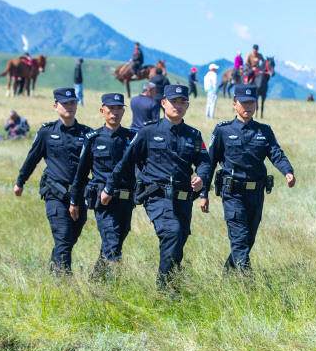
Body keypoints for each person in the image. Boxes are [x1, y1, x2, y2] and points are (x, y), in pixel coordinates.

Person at [100, 85, 211, 292]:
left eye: (182, 102)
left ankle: (172, 284)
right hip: (156, 195)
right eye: (173, 101)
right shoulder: (148, 131)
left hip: (184, 198)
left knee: (179, 240)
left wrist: (202, 178)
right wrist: (108, 187)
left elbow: (204, 162)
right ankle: (164, 289)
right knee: (172, 232)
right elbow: (126, 162)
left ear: (187, 105)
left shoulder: (193, 135)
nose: (177, 105)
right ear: (163, 103)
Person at [203, 84, 295, 274]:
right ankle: (248, 283)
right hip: (233, 193)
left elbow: (276, 154)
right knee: (240, 238)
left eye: (252, 102)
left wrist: (287, 171)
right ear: (234, 104)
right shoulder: (222, 131)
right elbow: (209, 163)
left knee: (248, 239)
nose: (248, 106)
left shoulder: (264, 131)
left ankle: (227, 274)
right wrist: (204, 193)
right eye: (243, 102)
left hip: (256, 193)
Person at [13, 88, 92, 275]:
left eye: (72, 103)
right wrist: (20, 182)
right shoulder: (46, 132)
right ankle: (64, 281)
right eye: (65, 104)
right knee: (63, 237)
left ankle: (54, 266)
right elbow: (32, 159)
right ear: (56, 106)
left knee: (72, 236)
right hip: (55, 193)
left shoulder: (87, 133)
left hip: (79, 194)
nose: (69, 107)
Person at [69, 93, 138, 279]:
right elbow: (81, 173)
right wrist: (74, 200)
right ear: (102, 111)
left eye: (119, 109)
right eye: (110, 109)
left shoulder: (132, 138)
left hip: (126, 199)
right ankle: (114, 287)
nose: (115, 113)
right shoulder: (93, 139)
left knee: (115, 240)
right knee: (112, 243)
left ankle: (96, 279)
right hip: (103, 201)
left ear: (123, 111)